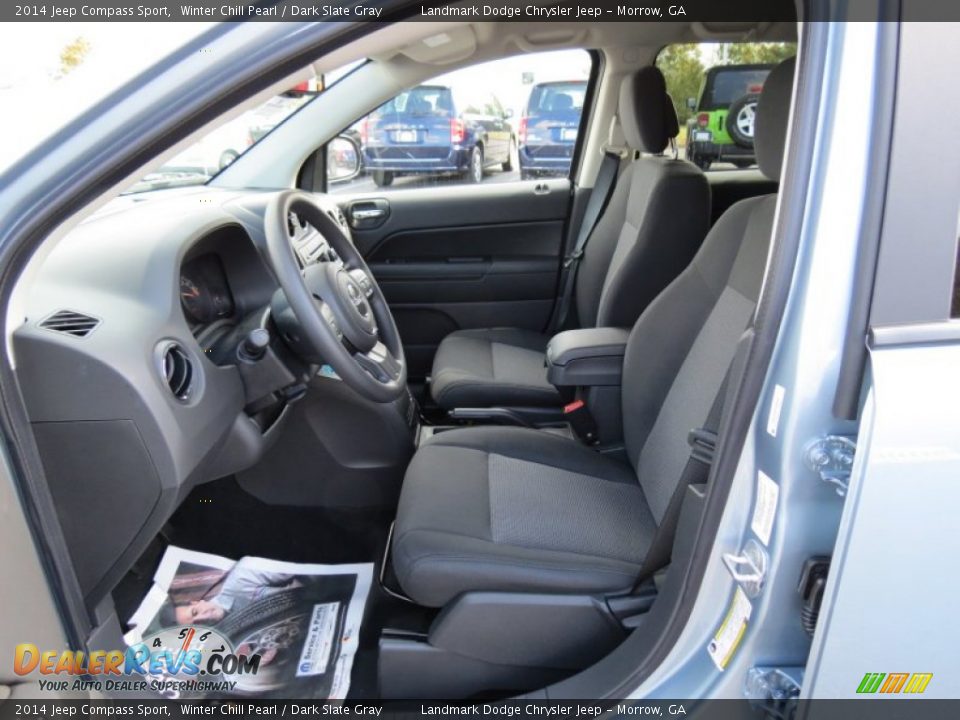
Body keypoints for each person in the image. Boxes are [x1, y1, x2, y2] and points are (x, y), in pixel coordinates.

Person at [163, 560, 302, 626]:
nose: (201, 618)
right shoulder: (232, 633)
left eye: (194, 612)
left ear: (196, 601)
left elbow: (298, 570)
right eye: (195, 625)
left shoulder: (240, 580)